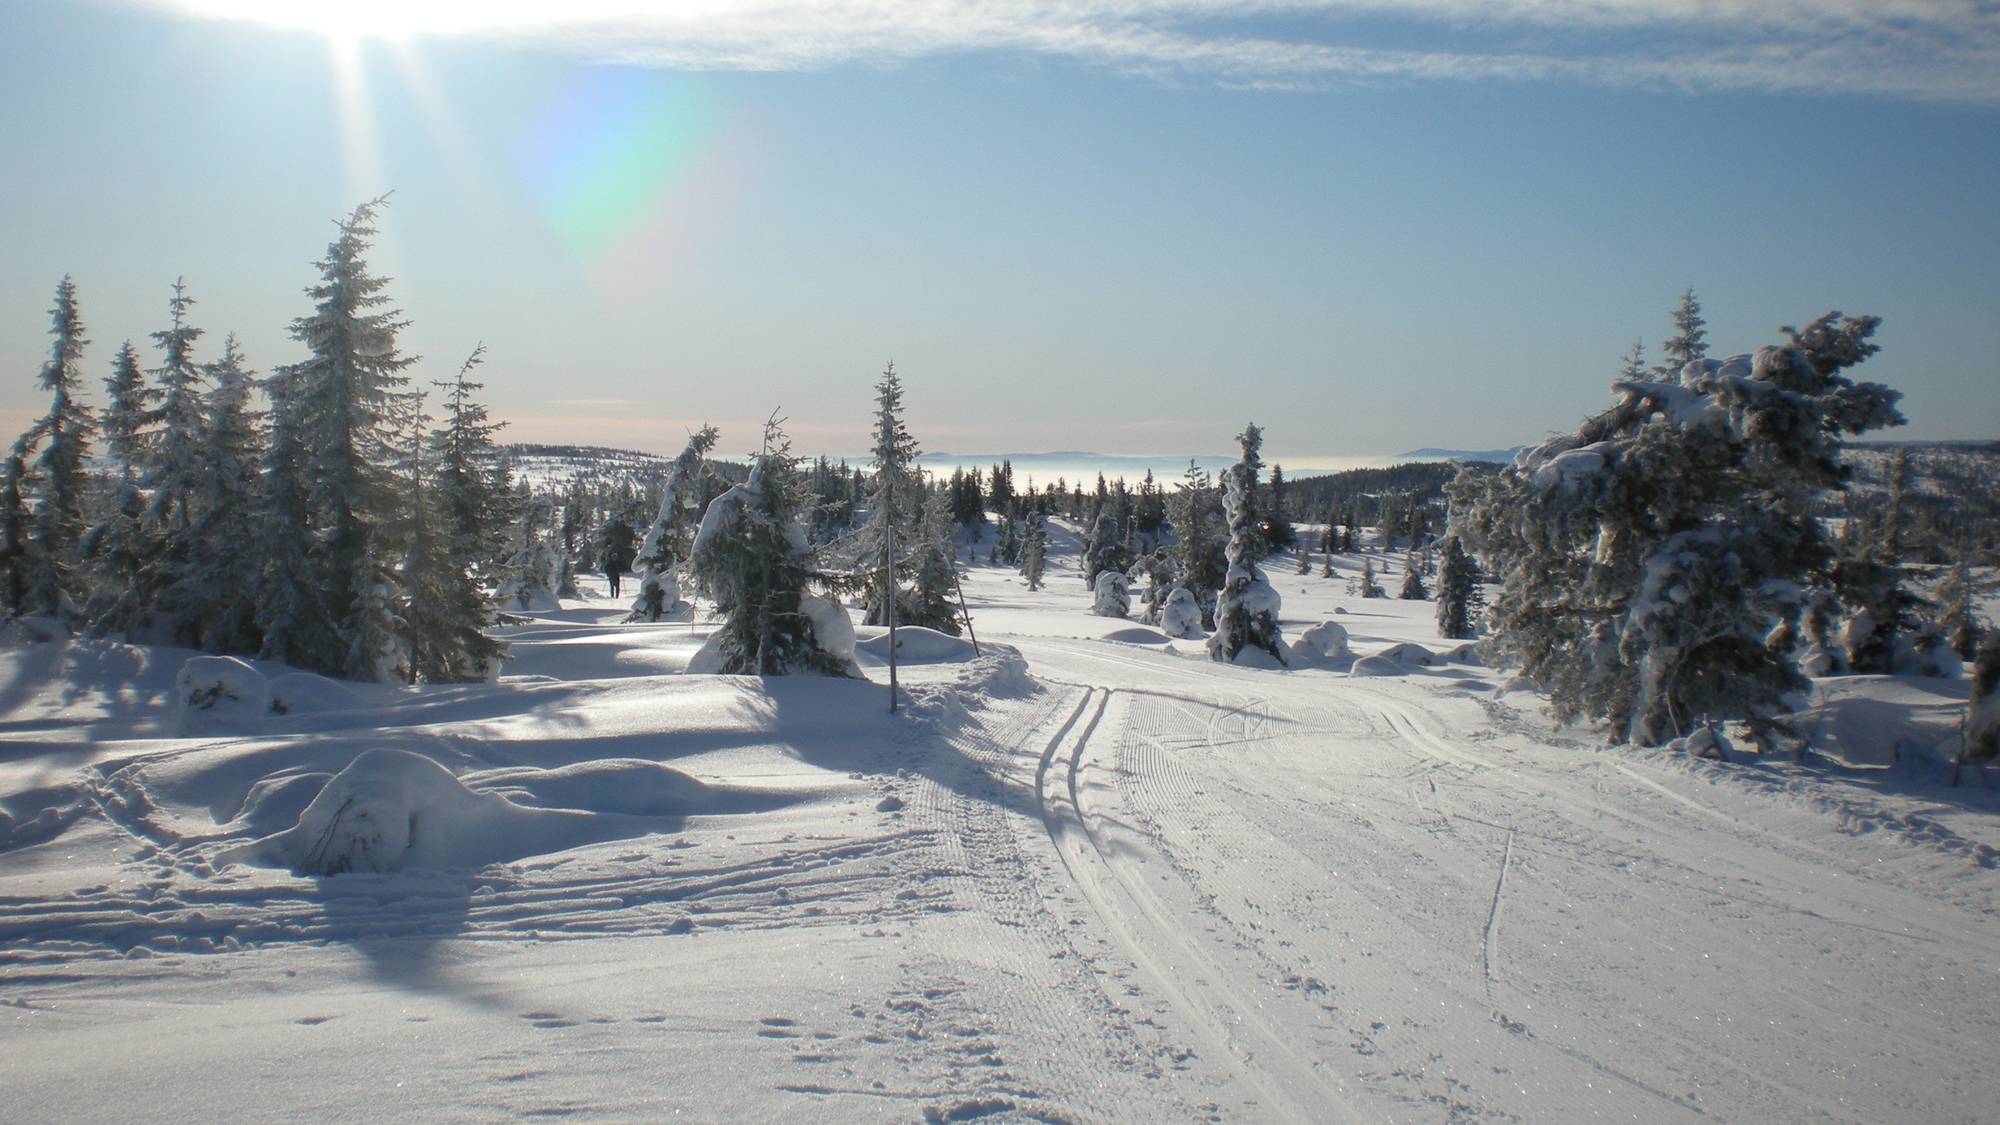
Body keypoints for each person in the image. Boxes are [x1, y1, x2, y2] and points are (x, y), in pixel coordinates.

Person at [599, 515, 637, 599]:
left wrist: (621, 570)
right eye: (614, 556)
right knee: (612, 586)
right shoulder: (610, 562)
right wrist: (609, 573)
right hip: (612, 575)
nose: (614, 557)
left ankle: (616, 596)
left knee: (617, 586)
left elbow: (621, 567)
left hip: (616, 575)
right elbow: (607, 568)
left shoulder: (617, 562)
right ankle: (613, 596)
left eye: (615, 556)